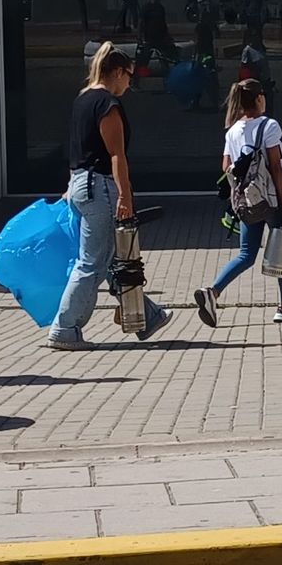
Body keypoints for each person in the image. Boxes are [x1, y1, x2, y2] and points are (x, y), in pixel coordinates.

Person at [47, 42, 172, 350]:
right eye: (129, 76)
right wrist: (125, 197)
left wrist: (72, 184)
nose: (130, 83)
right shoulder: (107, 105)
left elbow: (77, 148)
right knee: (92, 263)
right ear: (117, 72)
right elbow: (116, 155)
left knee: (110, 261)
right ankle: (65, 329)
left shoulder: (83, 100)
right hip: (100, 186)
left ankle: (147, 315)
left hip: (81, 184)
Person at [193, 79, 282, 326]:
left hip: (247, 201)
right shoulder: (269, 126)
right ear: (259, 98)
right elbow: (276, 168)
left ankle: (212, 292)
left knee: (247, 253)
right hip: (272, 198)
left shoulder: (233, 130)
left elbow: (226, 168)